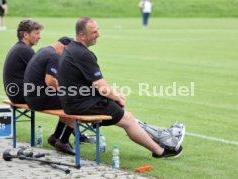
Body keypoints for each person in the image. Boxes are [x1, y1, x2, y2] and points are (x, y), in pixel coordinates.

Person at [58, 17, 185, 159]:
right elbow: (102, 87)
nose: (98, 34)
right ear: (82, 35)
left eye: (97, 30)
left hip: (74, 103)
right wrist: (118, 97)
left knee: (128, 116)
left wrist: (115, 97)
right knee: (128, 121)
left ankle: (160, 142)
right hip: (83, 105)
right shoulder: (83, 54)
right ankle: (160, 152)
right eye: (94, 32)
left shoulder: (71, 49)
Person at [23, 37, 76, 155]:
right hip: (38, 99)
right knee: (74, 102)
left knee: (67, 100)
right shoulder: (54, 56)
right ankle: (63, 140)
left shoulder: (44, 50)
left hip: (31, 96)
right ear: (65, 48)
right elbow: (50, 82)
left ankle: (55, 137)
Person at [3, 19, 43, 104]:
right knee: (67, 96)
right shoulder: (25, 50)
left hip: (16, 93)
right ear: (26, 35)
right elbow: (42, 74)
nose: (40, 37)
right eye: (37, 33)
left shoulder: (19, 47)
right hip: (21, 95)